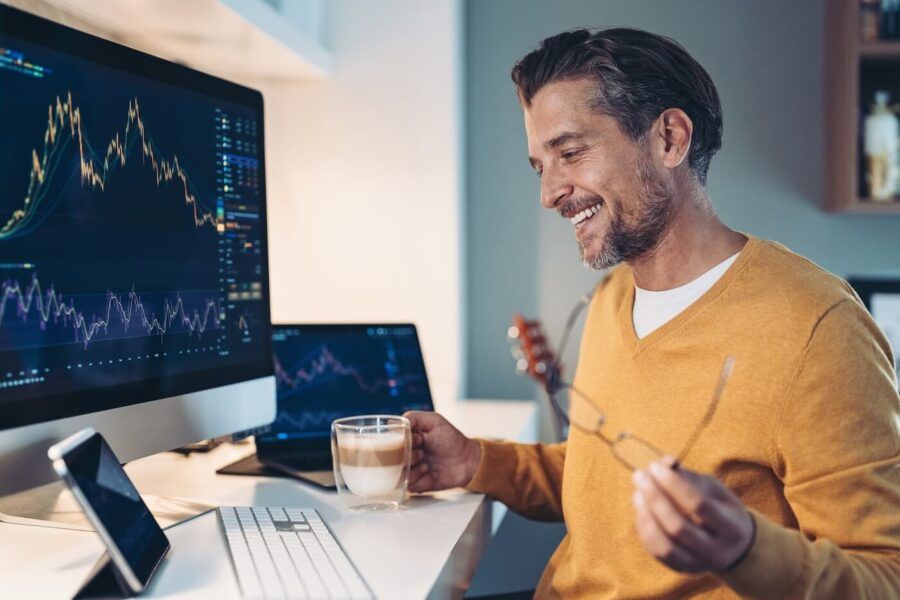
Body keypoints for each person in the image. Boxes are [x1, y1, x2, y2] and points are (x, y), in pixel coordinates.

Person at [405, 28, 900, 599]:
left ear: (669, 138)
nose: (549, 193)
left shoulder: (818, 328)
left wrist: (746, 551)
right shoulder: (614, 299)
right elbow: (603, 479)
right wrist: (474, 461)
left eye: (569, 153)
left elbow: (884, 576)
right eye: (540, 166)